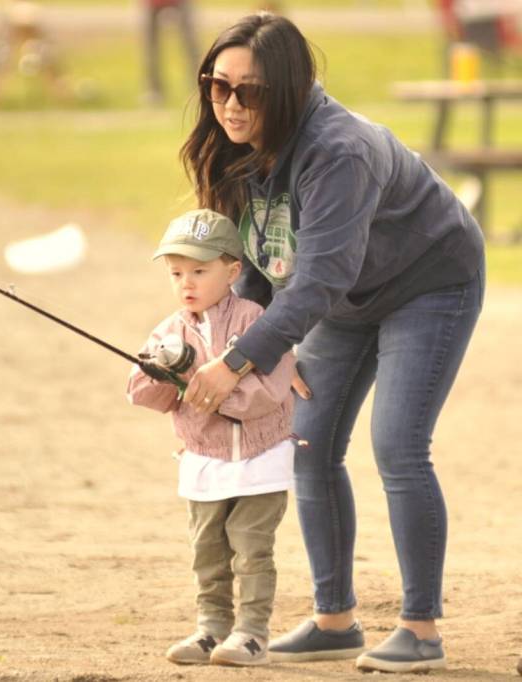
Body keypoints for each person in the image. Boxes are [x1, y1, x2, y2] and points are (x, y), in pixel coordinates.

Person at [177, 12, 484, 673]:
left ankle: (421, 629)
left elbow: (318, 278)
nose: (230, 104)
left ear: (288, 87)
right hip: (342, 297)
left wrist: (240, 361)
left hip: (428, 281)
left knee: (398, 445)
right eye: (217, 85)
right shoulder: (236, 146)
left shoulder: (338, 150)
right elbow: (256, 264)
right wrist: (250, 345)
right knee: (308, 445)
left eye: (249, 90)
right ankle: (333, 620)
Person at [126, 208, 297, 667]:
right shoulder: (169, 330)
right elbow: (141, 393)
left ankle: (251, 632)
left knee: (251, 549)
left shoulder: (258, 322)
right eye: (177, 272)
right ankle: (211, 628)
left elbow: (266, 394)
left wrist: (208, 389)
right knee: (207, 552)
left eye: (200, 271)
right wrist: (167, 370)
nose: (188, 282)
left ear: (233, 271)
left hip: (261, 462)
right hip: (203, 462)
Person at [140, 0, 200, 106]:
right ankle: (154, 91)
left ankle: (198, 87)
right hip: (151, 3)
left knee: (190, 46)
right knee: (151, 48)